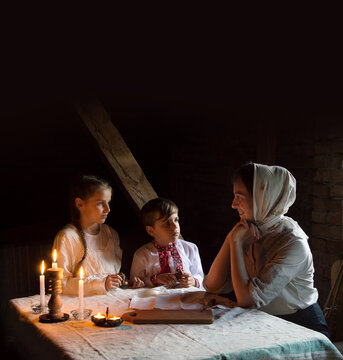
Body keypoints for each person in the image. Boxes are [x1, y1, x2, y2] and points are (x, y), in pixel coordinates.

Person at [204, 162, 329, 336]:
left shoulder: (292, 242)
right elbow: (212, 285)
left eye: (239, 196)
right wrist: (231, 238)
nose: (233, 204)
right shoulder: (248, 230)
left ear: (261, 197)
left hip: (300, 327)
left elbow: (247, 301)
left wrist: (236, 243)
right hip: (262, 321)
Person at [53, 175, 144, 295]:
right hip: (81, 306)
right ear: (80, 204)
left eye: (108, 203)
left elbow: (110, 277)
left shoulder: (111, 234)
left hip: (111, 302)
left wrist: (125, 283)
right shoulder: (68, 237)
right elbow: (61, 283)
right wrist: (100, 284)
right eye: (100, 203)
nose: (108, 209)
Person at [130, 197, 204, 289]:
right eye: (166, 223)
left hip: (186, 298)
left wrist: (193, 281)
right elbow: (134, 282)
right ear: (151, 230)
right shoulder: (142, 254)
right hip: (155, 300)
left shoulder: (190, 248)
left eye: (176, 220)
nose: (174, 226)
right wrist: (155, 279)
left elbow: (200, 276)